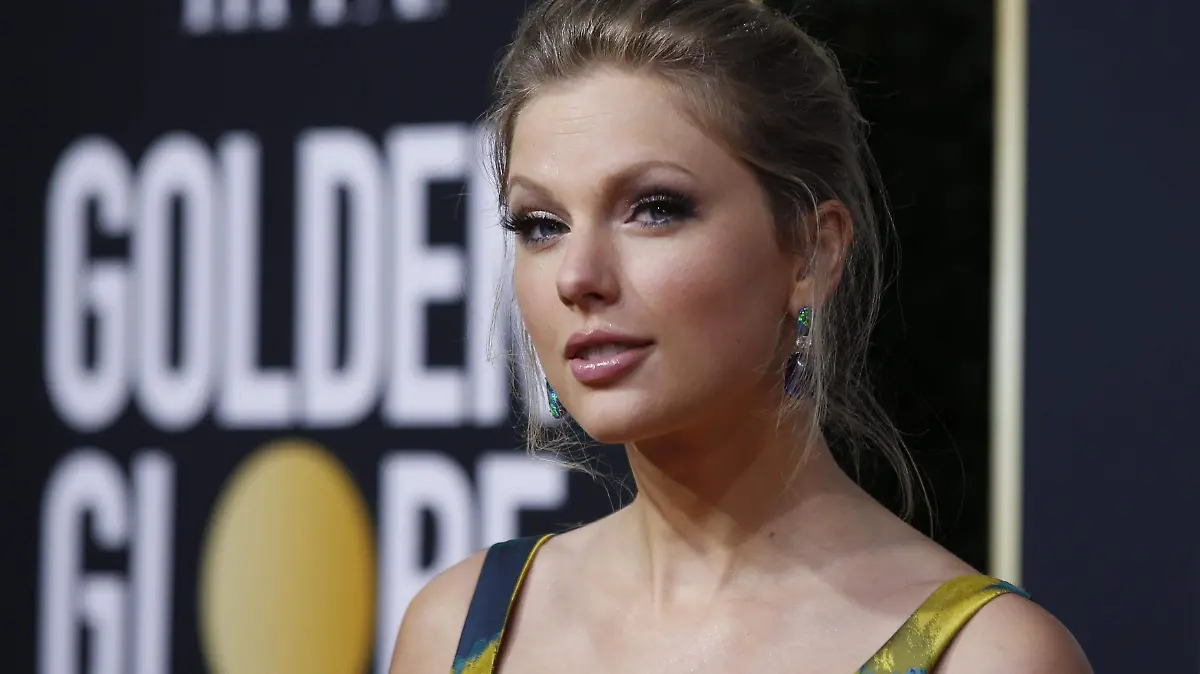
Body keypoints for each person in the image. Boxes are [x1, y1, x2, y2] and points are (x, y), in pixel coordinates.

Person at [390, 0, 1091, 672]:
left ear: (812, 253)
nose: (577, 277)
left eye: (654, 209)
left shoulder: (985, 659)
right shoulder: (457, 630)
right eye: (541, 225)